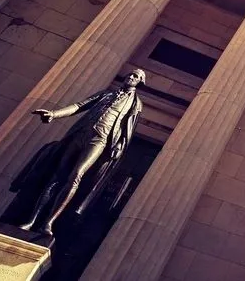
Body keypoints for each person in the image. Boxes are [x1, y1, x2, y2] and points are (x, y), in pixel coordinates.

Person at [8, 69, 145, 237]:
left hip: (99, 140)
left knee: (76, 176)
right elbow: (79, 106)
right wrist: (54, 114)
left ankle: (49, 223)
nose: (131, 77)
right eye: (130, 74)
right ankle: (32, 220)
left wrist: (118, 146)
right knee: (57, 177)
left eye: (136, 76)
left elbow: (128, 129)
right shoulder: (106, 94)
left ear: (140, 82)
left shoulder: (135, 104)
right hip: (79, 135)